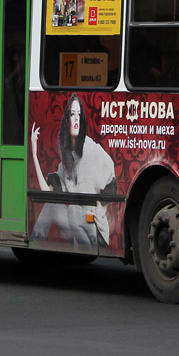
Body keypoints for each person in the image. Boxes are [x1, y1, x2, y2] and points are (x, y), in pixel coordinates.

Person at [30, 95, 117, 249]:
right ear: (67, 121)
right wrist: (35, 155)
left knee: (74, 211)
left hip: (94, 226)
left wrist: (101, 209)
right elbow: (48, 194)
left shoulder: (92, 149)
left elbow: (112, 184)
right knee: (53, 206)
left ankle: (86, 249)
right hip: (76, 224)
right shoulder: (66, 162)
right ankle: (34, 243)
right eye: (72, 114)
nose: (76, 119)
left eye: (79, 114)